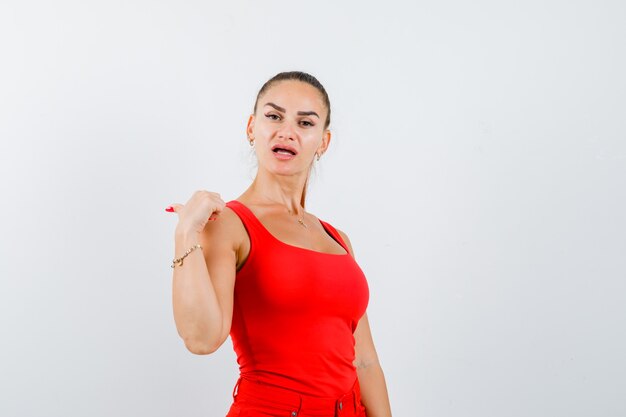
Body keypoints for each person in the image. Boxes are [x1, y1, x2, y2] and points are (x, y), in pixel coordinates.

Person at [166, 71, 392, 417]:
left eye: (305, 122)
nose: (286, 131)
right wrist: (185, 233)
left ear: (324, 142)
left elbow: (365, 361)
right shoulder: (228, 224)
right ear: (251, 128)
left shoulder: (337, 239)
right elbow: (202, 339)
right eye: (274, 116)